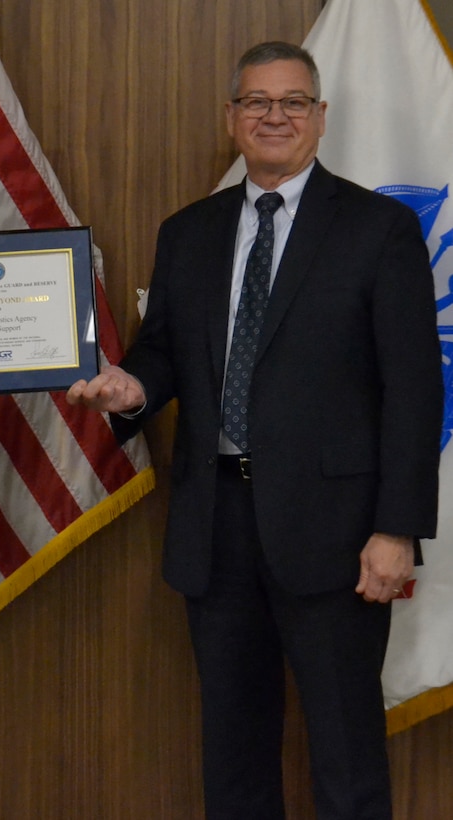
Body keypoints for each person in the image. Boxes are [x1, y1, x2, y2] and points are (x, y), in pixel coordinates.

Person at [68, 41, 442, 819]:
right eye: (257, 102)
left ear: (319, 118)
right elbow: (165, 350)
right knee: (233, 756)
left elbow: (414, 389)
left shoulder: (377, 229)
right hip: (215, 528)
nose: (274, 116)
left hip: (337, 537)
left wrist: (395, 530)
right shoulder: (189, 231)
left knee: (345, 755)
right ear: (230, 117)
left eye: (292, 102)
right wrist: (132, 387)